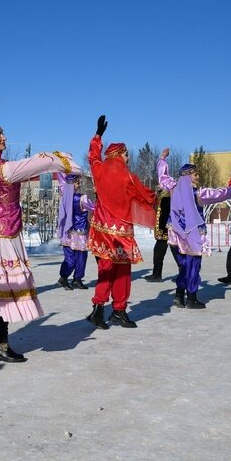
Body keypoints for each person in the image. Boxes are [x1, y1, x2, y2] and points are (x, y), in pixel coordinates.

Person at [0, 93, 80, 363]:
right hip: (2, 233)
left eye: (2, 134)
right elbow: (28, 167)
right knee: (9, 285)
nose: (4, 138)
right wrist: (56, 158)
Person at [86, 116, 156, 329]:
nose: (128, 158)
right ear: (119, 154)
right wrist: (157, 194)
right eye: (126, 154)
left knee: (106, 269)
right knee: (123, 272)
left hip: (101, 229)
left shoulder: (99, 169)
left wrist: (98, 135)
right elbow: (146, 196)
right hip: (121, 233)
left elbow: (92, 155)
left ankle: (99, 310)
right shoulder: (128, 176)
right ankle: (118, 310)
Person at [157, 148, 231, 309]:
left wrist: (162, 159)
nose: (198, 177)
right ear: (188, 176)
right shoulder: (198, 193)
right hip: (192, 236)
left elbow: (163, 177)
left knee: (184, 266)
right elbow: (219, 194)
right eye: (196, 175)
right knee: (193, 265)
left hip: (176, 235)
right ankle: (191, 298)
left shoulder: (173, 188)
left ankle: (180, 295)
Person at [56, 173, 95, 290]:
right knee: (81, 257)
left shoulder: (64, 198)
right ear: (72, 185)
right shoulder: (81, 198)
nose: (79, 185)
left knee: (70, 258)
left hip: (67, 234)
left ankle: (64, 277)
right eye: (77, 183)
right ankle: (76, 279)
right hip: (80, 233)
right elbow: (94, 208)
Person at [143, 188, 171, 282]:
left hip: (164, 233)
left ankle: (157, 275)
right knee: (158, 254)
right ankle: (156, 274)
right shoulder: (161, 198)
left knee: (159, 254)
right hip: (162, 232)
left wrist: (162, 231)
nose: (157, 187)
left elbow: (165, 216)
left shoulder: (166, 198)